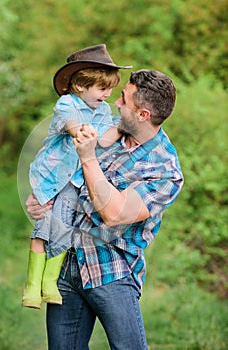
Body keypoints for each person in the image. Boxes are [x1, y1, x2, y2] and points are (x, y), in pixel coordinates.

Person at [25, 69, 184, 349]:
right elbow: (61, 163)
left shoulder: (164, 171)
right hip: (66, 263)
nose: (117, 103)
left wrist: (88, 158)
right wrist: (41, 195)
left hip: (112, 271)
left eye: (124, 99)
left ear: (143, 114)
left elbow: (115, 213)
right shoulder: (108, 129)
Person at [22, 44, 132, 309]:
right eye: (102, 89)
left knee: (63, 227)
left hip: (75, 180)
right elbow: (72, 124)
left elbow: (103, 140)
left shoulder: (104, 112)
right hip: (50, 177)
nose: (107, 95)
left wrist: (121, 128)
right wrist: (81, 132)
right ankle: (31, 283)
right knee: (43, 226)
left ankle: (49, 283)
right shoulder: (66, 103)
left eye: (110, 89)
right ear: (81, 85)